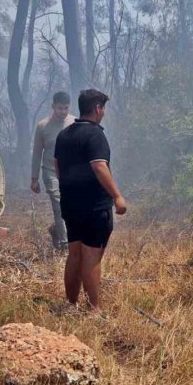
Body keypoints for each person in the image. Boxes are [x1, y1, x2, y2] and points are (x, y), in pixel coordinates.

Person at [54, 88, 127, 312]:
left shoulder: (64, 135)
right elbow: (99, 165)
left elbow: (57, 167)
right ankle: (94, 310)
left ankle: (71, 304)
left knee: (74, 254)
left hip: (70, 204)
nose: (103, 112)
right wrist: (117, 196)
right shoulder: (95, 134)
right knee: (91, 256)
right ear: (97, 108)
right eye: (102, 108)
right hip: (94, 207)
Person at [31, 91, 76, 249]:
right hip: (50, 172)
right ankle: (65, 243)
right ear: (53, 107)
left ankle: (57, 230)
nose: (63, 112)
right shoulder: (43, 126)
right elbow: (37, 153)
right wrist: (34, 179)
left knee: (72, 206)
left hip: (70, 173)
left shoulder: (75, 123)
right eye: (60, 108)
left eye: (66, 108)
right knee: (58, 204)